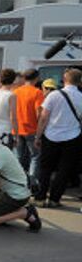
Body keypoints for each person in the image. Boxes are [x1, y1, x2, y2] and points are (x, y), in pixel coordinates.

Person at [34, 68, 82, 208]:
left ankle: (40, 198)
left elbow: (43, 118)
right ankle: (55, 200)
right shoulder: (81, 97)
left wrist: (38, 136)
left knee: (46, 168)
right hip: (73, 137)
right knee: (64, 170)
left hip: (51, 136)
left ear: (64, 79)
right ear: (79, 82)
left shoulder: (53, 95)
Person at [13, 68, 44, 188]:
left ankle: (18, 182)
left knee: (19, 157)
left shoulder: (16, 91)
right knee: (35, 157)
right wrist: (40, 133)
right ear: (36, 78)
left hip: (17, 129)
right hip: (32, 130)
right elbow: (39, 114)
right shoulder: (37, 92)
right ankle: (32, 183)